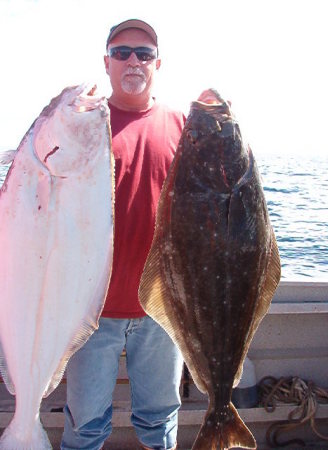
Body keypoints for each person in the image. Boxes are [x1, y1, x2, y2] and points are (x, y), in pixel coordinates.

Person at [61, 19, 185, 450]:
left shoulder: (182, 125)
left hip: (162, 309)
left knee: (160, 422)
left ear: (158, 63)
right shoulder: (81, 123)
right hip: (89, 310)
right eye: (122, 52)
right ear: (107, 63)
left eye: (144, 53)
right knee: (85, 426)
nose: (133, 60)